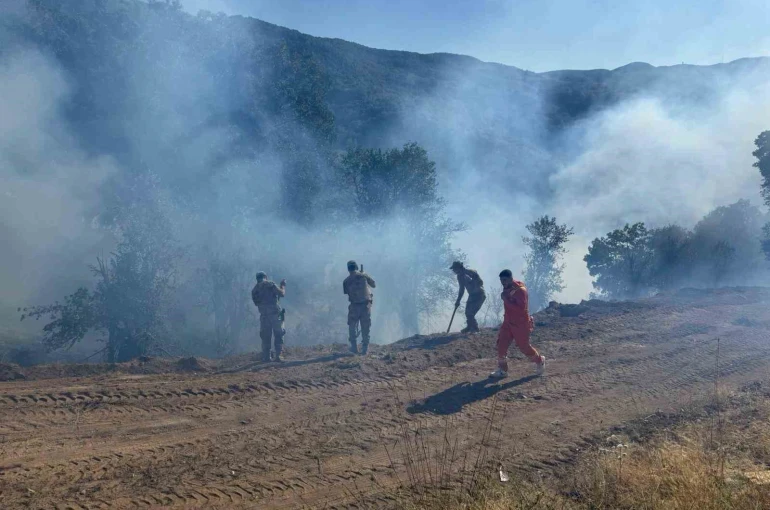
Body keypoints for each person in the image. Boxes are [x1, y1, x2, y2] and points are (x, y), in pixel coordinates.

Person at [491, 269, 545, 378]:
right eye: (501, 280)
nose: (503, 282)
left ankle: (540, 360)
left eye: (505, 280)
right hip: (508, 323)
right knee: (501, 345)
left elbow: (521, 309)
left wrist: (506, 299)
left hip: (520, 324)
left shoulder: (520, 291)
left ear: (511, 278)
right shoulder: (507, 287)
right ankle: (503, 370)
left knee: (524, 347)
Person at [251, 271, 286, 362]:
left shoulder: (254, 290)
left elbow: (256, 303)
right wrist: (282, 285)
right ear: (265, 277)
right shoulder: (270, 284)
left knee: (265, 336)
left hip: (264, 316)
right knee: (279, 333)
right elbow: (282, 294)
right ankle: (279, 355)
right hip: (276, 313)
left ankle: (266, 357)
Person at [343, 260, 376, 355]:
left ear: (348, 269)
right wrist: (365, 274)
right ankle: (365, 349)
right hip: (366, 305)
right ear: (356, 267)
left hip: (354, 306)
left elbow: (347, 292)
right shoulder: (363, 276)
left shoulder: (345, 281)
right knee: (366, 326)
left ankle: (354, 347)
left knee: (352, 326)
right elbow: (374, 284)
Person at [450, 261, 486, 333]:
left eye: (454, 269)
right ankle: (470, 327)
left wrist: (474, 284)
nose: (454, 271)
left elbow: (480, 282)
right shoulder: (459, 276)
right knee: (467, 312)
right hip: (472, 295)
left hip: (479, 294)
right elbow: (462, 289)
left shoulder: (470, 272)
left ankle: (474, 328)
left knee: (470, 312)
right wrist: (458, 300)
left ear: (459, 268)